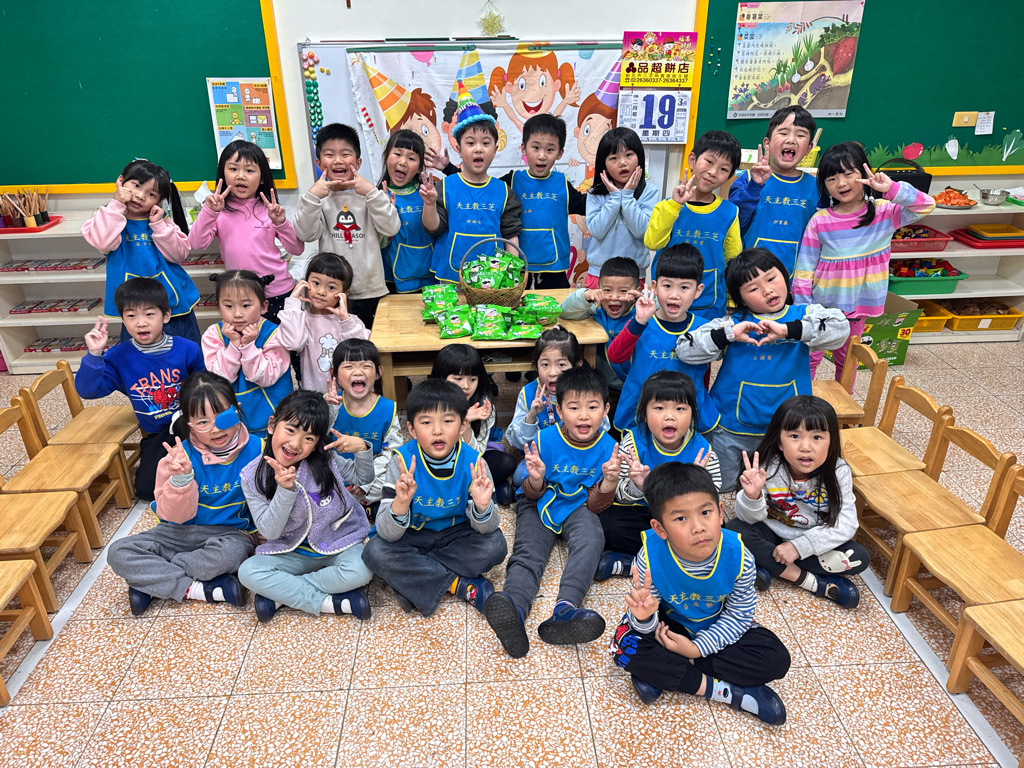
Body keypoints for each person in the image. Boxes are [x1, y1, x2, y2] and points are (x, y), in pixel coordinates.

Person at [609, 462, 790, 724]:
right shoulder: (649, 556)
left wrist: (696, 649)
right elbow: (643, 617)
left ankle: (670, 672)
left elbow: (739, 616)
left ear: (720, 512)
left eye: (705, 512)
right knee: (623, 648)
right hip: (669, 627)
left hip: (716, 625)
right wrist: (644, 617)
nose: (698, 527)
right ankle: (729, 693)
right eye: (681, 518)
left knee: (776, 659)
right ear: (660, 529)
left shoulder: (739, 556)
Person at [675, 248, 848, 489]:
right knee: (719, 485)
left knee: (776, 489)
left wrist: (790, 330)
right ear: (741, 299)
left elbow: (841, 328)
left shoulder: (805, 315)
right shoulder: (733, 323)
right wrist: (728, 335)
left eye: (771, 278)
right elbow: (685, 349)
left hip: (788, 432)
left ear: (785, 276)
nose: (767, 290)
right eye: (753, 288)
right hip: (730, 427)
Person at [484, 365, 619, 659]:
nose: (583, 416)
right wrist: (535, 479)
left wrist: (609, 483)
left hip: (579, 505)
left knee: (592, 541)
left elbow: (596, 506)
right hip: (539, 500)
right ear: (559, 410)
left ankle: (566, 609)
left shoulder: (610, 448)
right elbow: (531, 492)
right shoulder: (544, 439)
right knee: (528, 551)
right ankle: (514, 607)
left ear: (606, 410)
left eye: (592, 407)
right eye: (574, 407)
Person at [106, 372, 265, 615]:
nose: (215, 429)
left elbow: (268, 502)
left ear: (237, 410)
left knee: (232, 556)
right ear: (188, 423)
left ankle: (152, 580)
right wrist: (181, 480)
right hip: (176, 533)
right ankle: (198, 589)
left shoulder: (259, 449)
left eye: (222, 416)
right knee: (118, 552)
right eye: (202, 422)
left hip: (230, 534)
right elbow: (173, 517)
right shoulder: (177, 458)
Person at [793, 141, 935, 386]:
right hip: (822, 308)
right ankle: (803, 400)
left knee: (848, 359)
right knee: (810, 359)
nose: (841, 183)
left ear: (864, 173)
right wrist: (804, 308)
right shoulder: (820, 221)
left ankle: (845, 402)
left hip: (859, 306)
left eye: (849, 174)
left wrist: (891, 188)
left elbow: (926, 205)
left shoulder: (884, 212)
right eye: (831, 178)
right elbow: (804, 269)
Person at [360, 379, 507, 617]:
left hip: (457, 535)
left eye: (448, 421)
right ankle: (459, 585)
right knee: (374, 552)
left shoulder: (475, 463)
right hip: (413, 535)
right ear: (412, 429)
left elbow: (488, 528)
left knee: (496, 545)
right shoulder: (402, 462)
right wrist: (400, 504)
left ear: (463, 425)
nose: (437, 430)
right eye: (426, 422)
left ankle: (413, 578)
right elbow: (387, 533)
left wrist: (482, 507)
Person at [238, 391, 374, 623]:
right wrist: (284, 490)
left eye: (309, 438)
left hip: (339, 542)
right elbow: (270, 532)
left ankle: (282, 595)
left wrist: (361, 448)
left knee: (362, 569)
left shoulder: (326, 459)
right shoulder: (252, 476)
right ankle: (327, 603)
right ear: (272, 425)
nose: (295, 444)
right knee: (248, 572)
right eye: (290, 430)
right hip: (291, 551)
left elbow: (363, 477)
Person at [726, 395, 869, 608]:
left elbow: (846, 524)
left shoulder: (838, 471)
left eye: (817, 437)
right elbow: (747, 518)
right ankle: (812, 582)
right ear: (779, 442)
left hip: (810, 540)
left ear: (831, 441)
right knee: (733, 531)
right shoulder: (767, 467)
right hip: (771, 532)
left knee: (859, 557)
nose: (805, 447)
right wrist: (752, 497)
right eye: (794, 436)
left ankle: (766, 564)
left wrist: (799, 547)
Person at [75, 278, 204, 501]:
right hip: (159, 434)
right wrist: (94, 355)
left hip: (191, 427)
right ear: (123, 320)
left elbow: (204, 389)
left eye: (149, 314)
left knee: (205, 473)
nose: (141, 323)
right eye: (131, 316)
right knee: (146, 491)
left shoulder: (187, 349)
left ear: (166, 316)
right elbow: (89, 391)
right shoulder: (118, 355)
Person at [596, 370, 720, 580]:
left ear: (692, 415)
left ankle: (633, 564)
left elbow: (713, 497)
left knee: (718, 529)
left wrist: (697, 485)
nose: (669, 416)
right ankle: (682, 561)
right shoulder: (632, 443)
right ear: (644, 413)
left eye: (680, 408)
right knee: (610, 523)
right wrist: (638, 486)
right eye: (659, 408)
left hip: (685, 519)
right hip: (644, 514)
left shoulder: (702, 449)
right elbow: (618, 494)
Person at [81, 159, 201, 345]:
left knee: (184, 350)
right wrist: (116, 205)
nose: (140, 196)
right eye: (136, 185)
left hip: (171, 305)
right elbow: (102, 242)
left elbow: (179, 254)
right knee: (137, 354)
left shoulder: (161, 220)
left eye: (151, 194)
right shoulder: (108, 216)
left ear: (159, 200)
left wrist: (158, 226)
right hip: (133, 305)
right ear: (120, 181)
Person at [294, 123, 401, 327]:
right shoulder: (316, 199)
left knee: (369, 341)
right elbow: (306, 234)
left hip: (369, 290)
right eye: (329, 154)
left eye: (345, 154)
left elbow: (391, 227)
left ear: (358, 162)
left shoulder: (370, 196)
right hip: (330, 292)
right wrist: (312, 197)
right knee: (333, 342)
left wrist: (372, 193)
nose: (338, 160)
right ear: (319, 162)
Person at [608, 244, 720, 436]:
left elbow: (705, 371)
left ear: (698, 290)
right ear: (654, 286)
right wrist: (638, 323)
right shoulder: (641, 321)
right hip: (640, 412)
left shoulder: (703, 327)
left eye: (684, 287)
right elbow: (615, 356)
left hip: (684, 414)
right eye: (667, 286)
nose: (674, 295)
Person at [188, 139, 304, 323]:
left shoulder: (270, 209)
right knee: (248, 341)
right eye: (233, 169)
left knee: (282, 340)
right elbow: (196, 243)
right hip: (241, 297)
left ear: (262, 177)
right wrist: (209, 212)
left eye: (249, 170)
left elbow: (297, 249)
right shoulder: (218, 211)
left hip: (278, 292)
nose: (240, 176)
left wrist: (281, 223)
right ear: (223, 173)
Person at [423, 81, 522, 284]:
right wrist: (429, 204)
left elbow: (511, 235)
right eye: (470, 143)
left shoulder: (504, 192)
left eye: (485, 143)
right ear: (459, 149)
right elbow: (432, 228)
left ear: (495, 149)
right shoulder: (446, 187)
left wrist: (513, 274)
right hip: (452, 277)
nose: (478, 149)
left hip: (492, 280)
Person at [644, 131, 743, 318]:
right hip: (667, 302)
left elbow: (733, 261)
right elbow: (652, 242)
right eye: (709, 162)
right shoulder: (667, 206)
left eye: (723, 169)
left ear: (730, 176)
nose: (713, 172)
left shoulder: (729, 212)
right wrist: (674, 206)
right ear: (692, 160)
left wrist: (732, 301)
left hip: (710, 304)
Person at [202, 270, 293, 438]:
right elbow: (221, 379)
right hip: (230, 422)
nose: (237, 314)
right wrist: (233, 346)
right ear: (219, 307)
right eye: (228, 306)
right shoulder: (213, 334)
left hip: (273, 418)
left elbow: (265, 377)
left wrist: (249, 346)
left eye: (246, 305)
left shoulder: (275, 334)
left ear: (264, 306)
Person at [728, 106, 819, 275]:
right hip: (749, 277)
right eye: (783, 133)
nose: (791, 140)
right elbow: (732, 222)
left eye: (800, 135)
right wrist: (754, 186)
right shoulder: (748, 179)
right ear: (767, 143)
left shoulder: (816, 187)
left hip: (796, 279)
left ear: (809, 148)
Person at [501, 114, 587, 289]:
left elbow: (587, 205)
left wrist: (612, 186)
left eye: (550, 150)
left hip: (554, 271)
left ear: (560, 153)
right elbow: (481, 187)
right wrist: (449, 169)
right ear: (523, 148)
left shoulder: (562, 183)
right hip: (517, 269)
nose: (542, 156)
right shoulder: (512, 181)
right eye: (536, 148)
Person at [325, 339, 402, 521]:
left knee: (399, 475)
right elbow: (313, 438)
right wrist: (329, 409)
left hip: (371, 474)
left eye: (366, 366)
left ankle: (343, 504)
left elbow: (392, 451)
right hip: (335, 471)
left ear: (378, 372)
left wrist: (365, 483)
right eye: (348, 366)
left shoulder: (388, 408)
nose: (358, 372)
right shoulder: (328, 403)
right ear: (334, 373)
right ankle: (357, 505)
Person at [277, 251, 369, 395]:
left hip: (349, 396)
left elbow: (362, 351)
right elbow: (293, 343)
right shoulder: (301, 319)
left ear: (345, 293)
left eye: (331, 287)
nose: (321, 292)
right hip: (315, 396)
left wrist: (345, 320)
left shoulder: (350, 321)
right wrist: (292, 304)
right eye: (316, 283)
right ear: (305, 283)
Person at [428, 344, 517, 491]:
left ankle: (472, 488)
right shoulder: (428, 404)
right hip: (436, 462)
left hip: (468, 462)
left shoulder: (483, 407)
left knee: (506, 463)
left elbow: (476, 454)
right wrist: (458, 420)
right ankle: (481, 487)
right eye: (458, 378)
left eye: (473, 379)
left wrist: (466, 424)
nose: (466, 386)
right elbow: (431, 448)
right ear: (442, 377)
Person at [584, 127, 659, 288]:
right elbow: (597, 231)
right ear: (603, 164)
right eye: (614, 158)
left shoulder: (649, 191)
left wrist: (627, 196)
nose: (622, 162)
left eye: (629, 155)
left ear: (639, 157)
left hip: (634, 276)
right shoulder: (595, 193)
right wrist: (614, 198)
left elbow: (642, 231)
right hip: (599, 275)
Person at [559, 256, 641, 396]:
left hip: (636, 388)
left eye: (623, 291)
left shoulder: (643, 313)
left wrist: (642, 299)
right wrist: (587, 295)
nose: (614, 297)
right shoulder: (597, 309)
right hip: (602, 386)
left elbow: (661, 307)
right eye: (607, 290)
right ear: (599, 289)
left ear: (636, 291)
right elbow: (565, 311)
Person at [378, 129, 436, 293]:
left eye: (411, 158)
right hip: (392, 279)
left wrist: (431, 203)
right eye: (397, 154)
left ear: (419, 168)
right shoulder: (377, 196)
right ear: (386, 156)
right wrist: (384, 213)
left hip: (429, 276)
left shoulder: (428, 192)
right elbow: (376, 243)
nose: (403, 162)